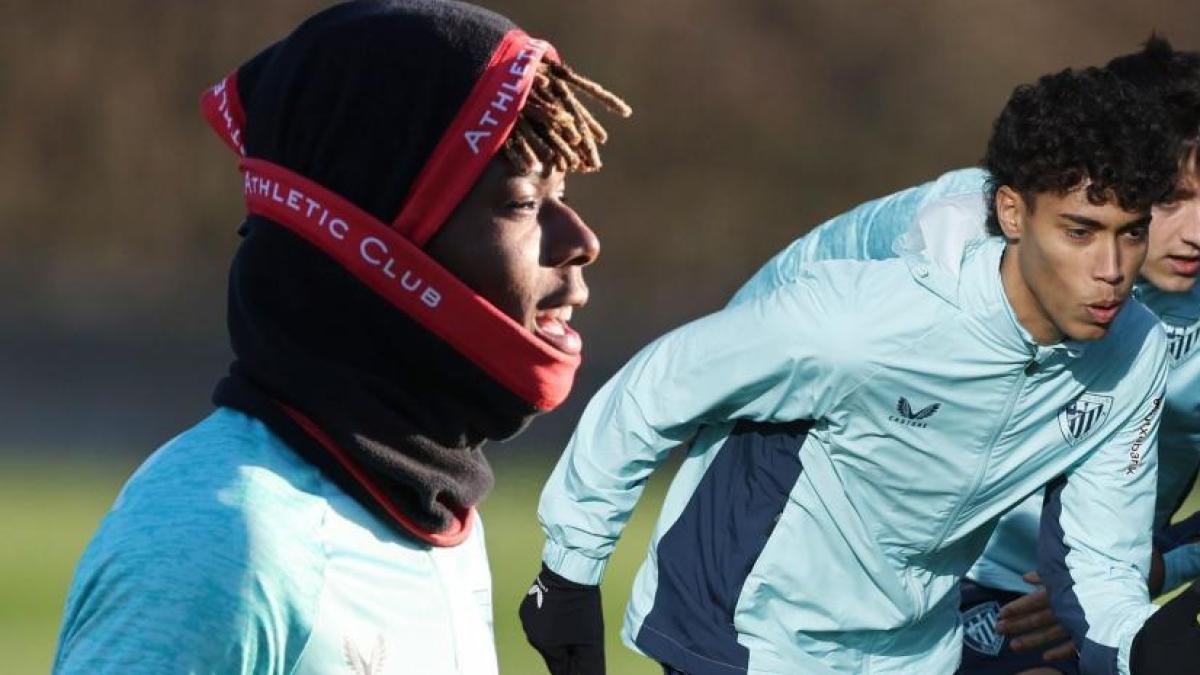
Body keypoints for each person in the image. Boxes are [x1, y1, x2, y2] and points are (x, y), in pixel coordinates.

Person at [520, 67, 1179, 675]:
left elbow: (1100, 563)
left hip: (911, 652)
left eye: (1131, 232)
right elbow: (657, 386)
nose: (1113, 270)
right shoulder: (863, 321)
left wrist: (1148, 644)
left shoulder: (1134, 353)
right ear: (1012, 212)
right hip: (745, 631)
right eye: (1080, 231)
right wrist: (570, 573)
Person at [52, 1, 629, 673]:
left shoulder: (433, 521)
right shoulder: (227, 543)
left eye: (562, 194)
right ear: (370, 242)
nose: (581, 241)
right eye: (523, 202)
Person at [727, 36, 1200, 675]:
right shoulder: (959, 223)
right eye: (1170, 199)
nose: (1196, 229)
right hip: (869, 583)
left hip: (1047, 606)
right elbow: (761, 320)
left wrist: (1157, 564)